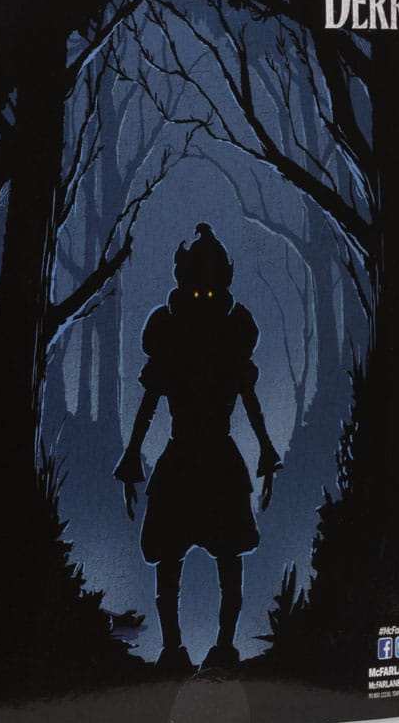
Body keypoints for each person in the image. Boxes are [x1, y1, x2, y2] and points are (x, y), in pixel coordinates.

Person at [114, 223, 281, 675]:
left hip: (213, 458)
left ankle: (222, 646)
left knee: (228, 557)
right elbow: (150, 401)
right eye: (197, 289)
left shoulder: (231, 335)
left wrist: (267, 450)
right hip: (185, 455)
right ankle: (173, 648)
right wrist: (130, 455)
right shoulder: (171, 335)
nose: (204, 298)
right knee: (170, 559)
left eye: (210, 290)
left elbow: (249, 399)